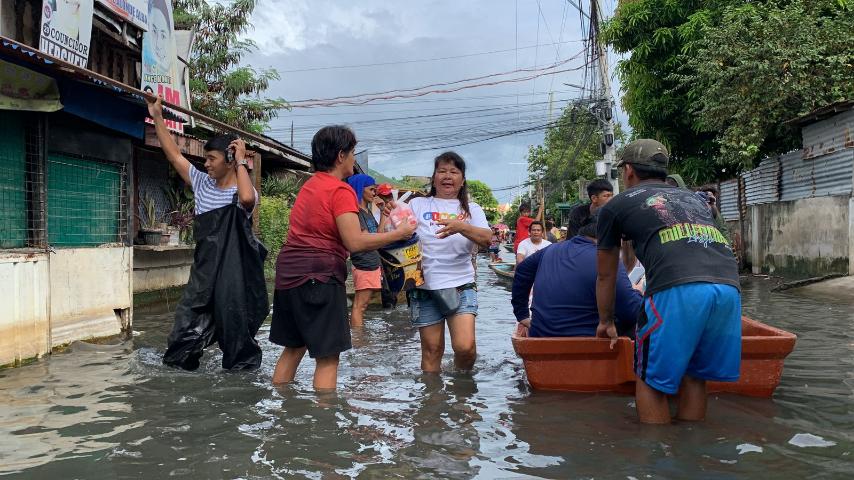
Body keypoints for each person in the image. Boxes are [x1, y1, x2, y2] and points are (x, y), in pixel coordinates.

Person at [595, 139, 741, 424]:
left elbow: (606, 273)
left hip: (678, 290)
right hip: (728, 288)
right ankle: (691, 453)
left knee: (650, 382)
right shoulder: (694, 198)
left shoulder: (616, 206)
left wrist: (606, 321)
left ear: (627, 171)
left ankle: (656, 463)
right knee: (695, 375)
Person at [270, 126, 415, 390]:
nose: (353, 159)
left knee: (294, 347)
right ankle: (326, 426)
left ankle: (283, 412)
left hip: (288, 272)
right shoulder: (340, 190)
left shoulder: (309, 186)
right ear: (340, 156)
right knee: (327, 358)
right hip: (319, 274)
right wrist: (400, 233)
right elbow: (355, 241)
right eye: (352, 153)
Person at [147, 96, 268, 371]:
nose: (207, 164)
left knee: (237, 342)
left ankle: (238, 395)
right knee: (182, 337)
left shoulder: (241, 189)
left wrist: (241, 162)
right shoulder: (201, 183)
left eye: (212, 158)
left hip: (233, 279)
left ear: (228, 159)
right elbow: (174, 154)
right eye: (206, 159)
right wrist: (157, 116)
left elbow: (248, 200)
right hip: (204, 274)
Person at [407, 151, 492, 373]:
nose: (447, 176)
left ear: (462, 180)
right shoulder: (417, 205)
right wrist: (389, 213)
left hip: (460, 284)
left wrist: (461, 226)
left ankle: (462, 385)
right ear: (433, 178)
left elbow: (487, 239)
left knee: (465, 347)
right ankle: (432, 401)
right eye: (442, 171)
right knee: (432, 350)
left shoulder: (471, 209)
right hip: (424, 287)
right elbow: (396, 234)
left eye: (454, 172)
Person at [513, 214, 641, 337]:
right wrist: (637, 292)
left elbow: (521, 270)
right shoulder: (608, 260)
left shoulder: (548, 250)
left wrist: (522, 314)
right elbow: (632, 312)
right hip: (589, 342)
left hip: (542, 335)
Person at [346, 174, 389, 328]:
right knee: (360, 305)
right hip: (364, 263)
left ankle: (359, 339)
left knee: (362, 305)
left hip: (372, 262)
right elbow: (366, 239)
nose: (374, 193)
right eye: (371, 189)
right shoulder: (356, 213)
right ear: (359, 189)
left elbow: (379, 235)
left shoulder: (367, 211)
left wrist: (384, 213)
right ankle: (359, 342)